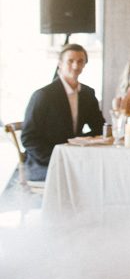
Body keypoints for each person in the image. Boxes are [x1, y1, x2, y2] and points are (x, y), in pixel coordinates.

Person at [20, 44, 105, 182]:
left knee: (100, 173)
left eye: (80, 61)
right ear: (60, 64)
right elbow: (28, 138)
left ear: (85, 65)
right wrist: (57, 157)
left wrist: (79, 144)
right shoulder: (43, 95)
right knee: (83, 178)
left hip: (73, 158)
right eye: (70, 61)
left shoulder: (87, 94)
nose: (76, 66)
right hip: (43, 162)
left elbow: (99, 127)